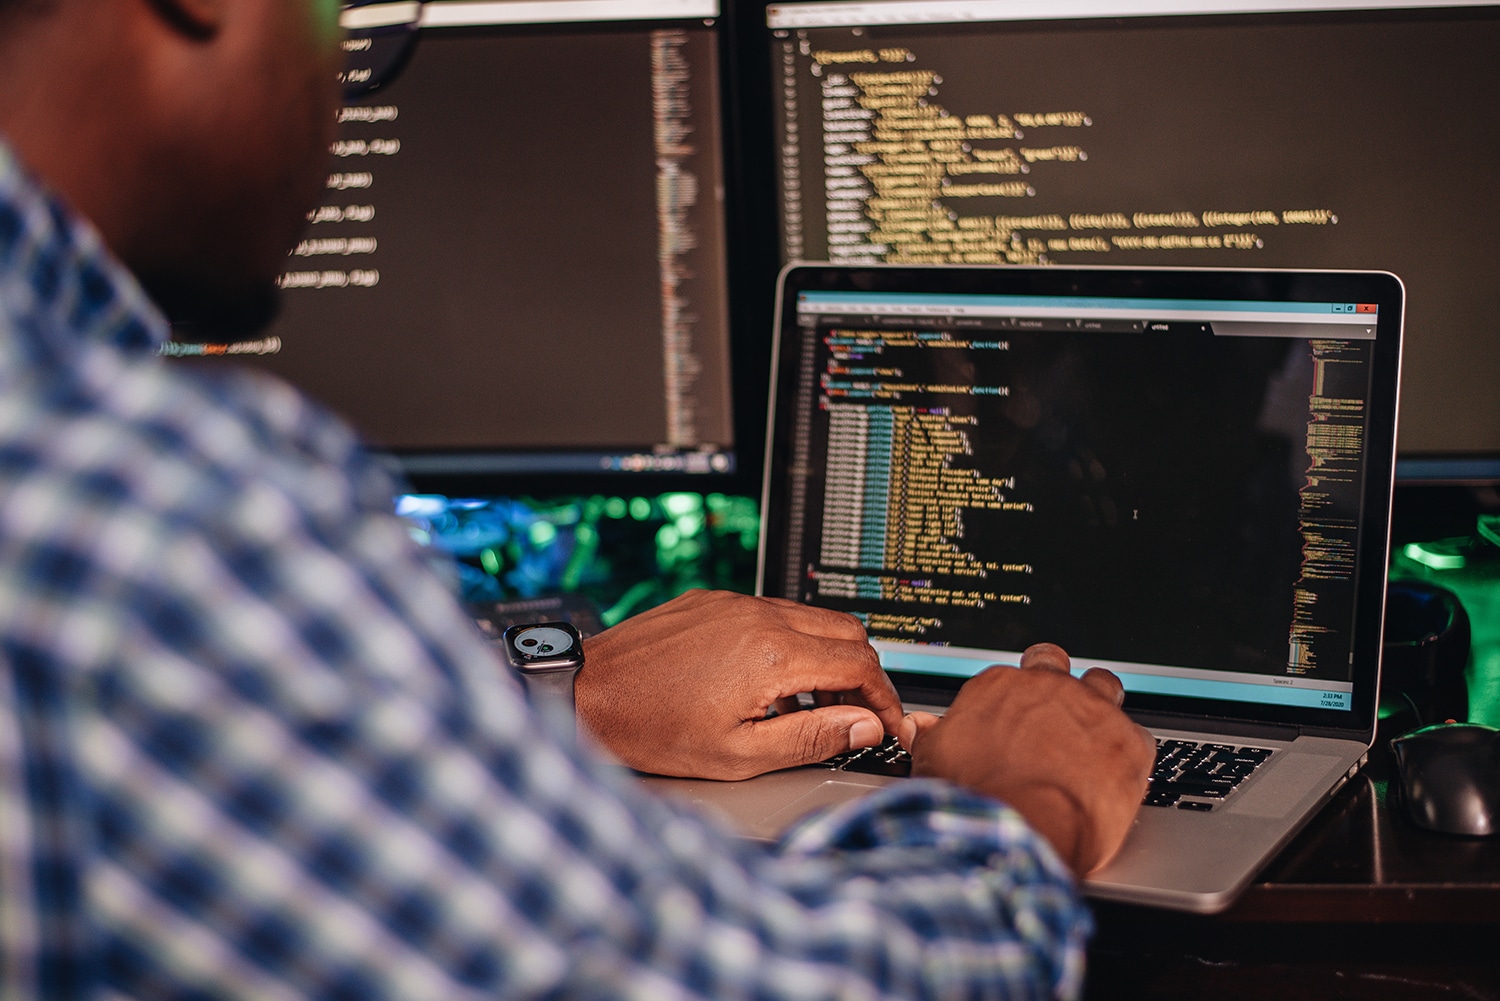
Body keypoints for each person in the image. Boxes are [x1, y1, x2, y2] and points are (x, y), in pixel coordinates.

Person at [0, 1, 1155, 997]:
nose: (342, 93)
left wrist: (566, 699)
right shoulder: (153, 510)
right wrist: (1025, 807)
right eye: (347, 30)